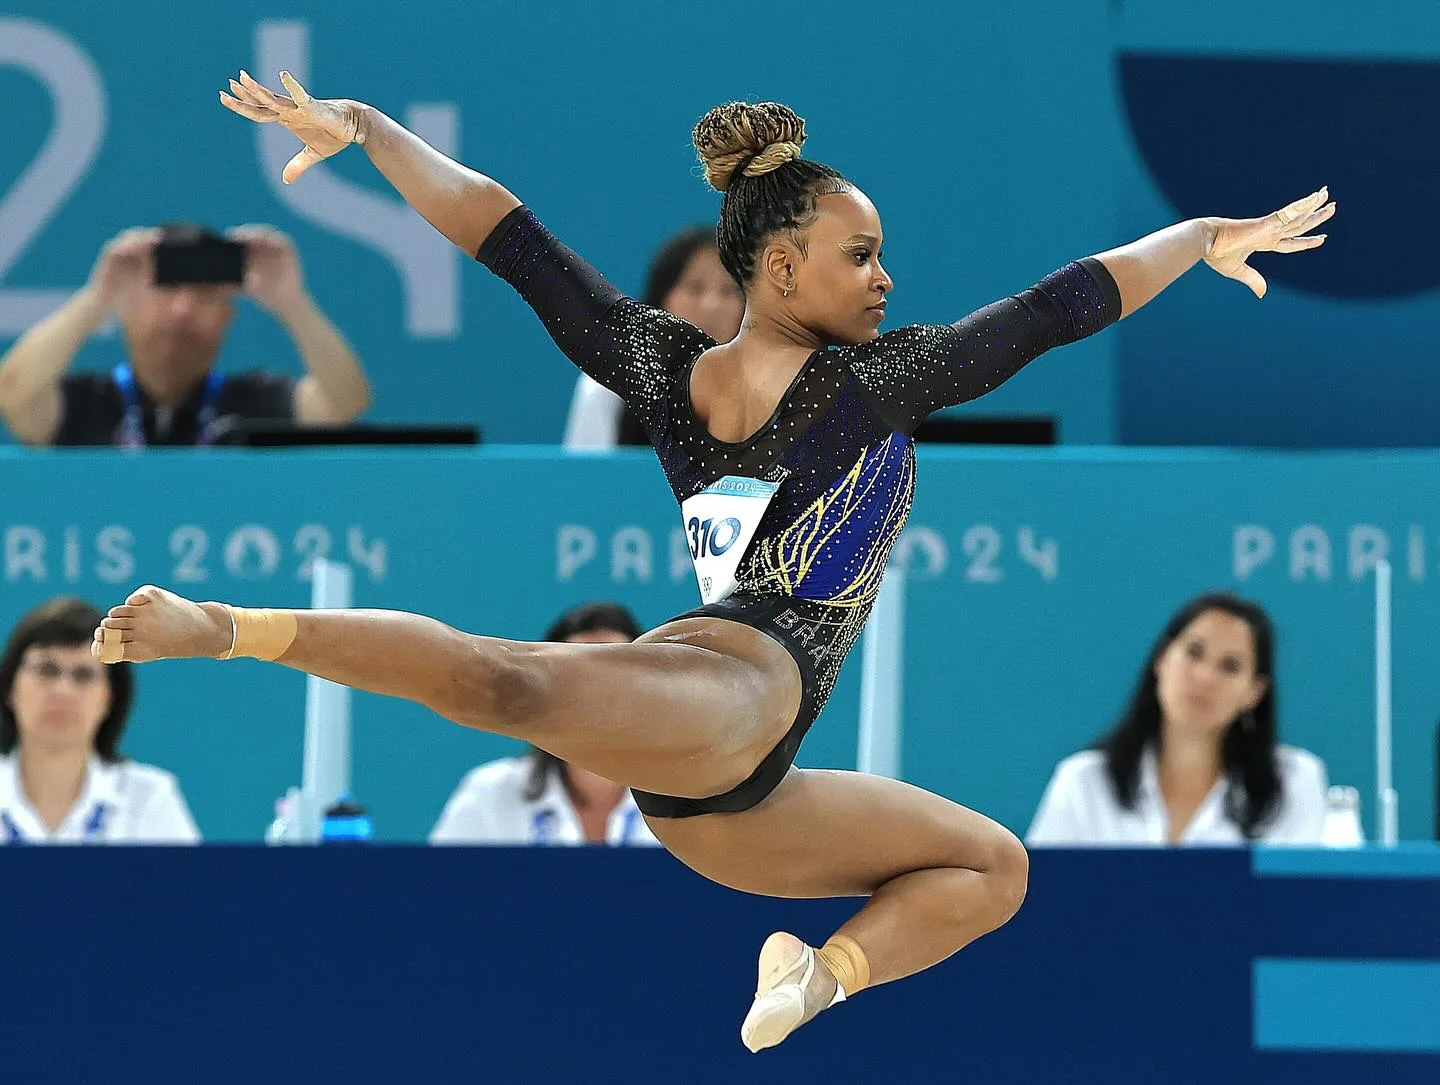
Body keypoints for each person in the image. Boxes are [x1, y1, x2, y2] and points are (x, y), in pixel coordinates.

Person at [93, 71, 1334, 1051]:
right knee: (502, 683)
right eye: (863, 254)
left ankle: (817, 975)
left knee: (992, 867)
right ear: (782, 265)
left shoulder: (676, 368)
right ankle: (232, 626)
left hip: (726, 797)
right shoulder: (865, 383)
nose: (887, 274)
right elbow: (1067, 304)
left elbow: (505, 235)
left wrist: (372, 131)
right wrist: (363, 124)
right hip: (728, 687)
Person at [0, 222, 371, 446]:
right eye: (168, 287)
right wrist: (96, 299)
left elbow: (343, 404)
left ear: (228, 316)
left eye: (205, 294)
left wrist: (292, 303)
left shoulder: (255, 406)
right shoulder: (84, 406)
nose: (183, 309)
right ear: (124, 307)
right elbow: (13, 392)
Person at [1026, 592, 1328, 846]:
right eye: (1193, 653)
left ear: (1254, 692)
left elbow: (1301, 906)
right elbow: (1041, 900)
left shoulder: (1294, 783)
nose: (1204, 677)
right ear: (1162, 658)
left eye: (1230, 666)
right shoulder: (1083, 782)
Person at [431, 601, 660, 846]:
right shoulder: (489, 794)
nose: (597, 692)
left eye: (614, 672)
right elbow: (438, 883)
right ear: (546, 692)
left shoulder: (688, 798)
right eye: (578, 674)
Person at [1, 597, 199, 843]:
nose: (63, 691)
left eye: (83, 675)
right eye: (46, 670)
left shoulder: (149, 799)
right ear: (10, 687)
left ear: (109, 699)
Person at [563, 227, 744, 449]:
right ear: (661, 298)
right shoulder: (608, 384)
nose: (712, 306)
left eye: (729, 291)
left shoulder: (770, 386)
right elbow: (586, 477)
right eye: (694, 288)